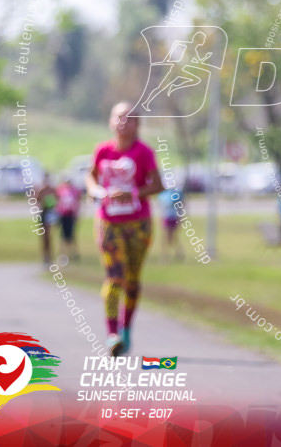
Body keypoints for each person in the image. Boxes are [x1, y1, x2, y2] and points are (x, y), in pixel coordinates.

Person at [85, 102, 163, 357]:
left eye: (129, 118)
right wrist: (96, 192)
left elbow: (157, 185)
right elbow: (91, 177)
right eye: (118, 117)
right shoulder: (102, 150)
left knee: (132, 279)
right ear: (110, 121)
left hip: (138, 224)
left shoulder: (144, 153)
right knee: (114, 276)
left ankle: (126, 327)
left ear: (137, 124)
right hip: (108, 222)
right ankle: (112, 334)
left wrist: (131, 193)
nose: (123, 122)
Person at [55, 176, 82, 265]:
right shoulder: (60, 190)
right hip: (62, 215)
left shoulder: (75, 191)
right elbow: (57, 202)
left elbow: (77, 203)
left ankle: (72, 252)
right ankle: (63, 254)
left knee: (71, 235)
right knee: (63, 235)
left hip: (71, 215)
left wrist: (76, 215)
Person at [155, 186, 184, 261]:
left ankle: (179, 254)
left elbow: (180, 207)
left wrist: (180, 218)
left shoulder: (177, 193)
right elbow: (161, 207)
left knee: (173, 237)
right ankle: (164, 255)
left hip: (174, 217)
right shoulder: (162, 194)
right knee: (165, 237)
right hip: (166, 217)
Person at [36, 173, 59, 265]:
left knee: (49, 235)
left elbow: (56, 199)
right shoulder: (42, 190)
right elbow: (37, 199)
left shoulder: (52, 190)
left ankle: (49, 255)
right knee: (44, 236)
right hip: (44, 212)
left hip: (50, 212)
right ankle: (45, 255)